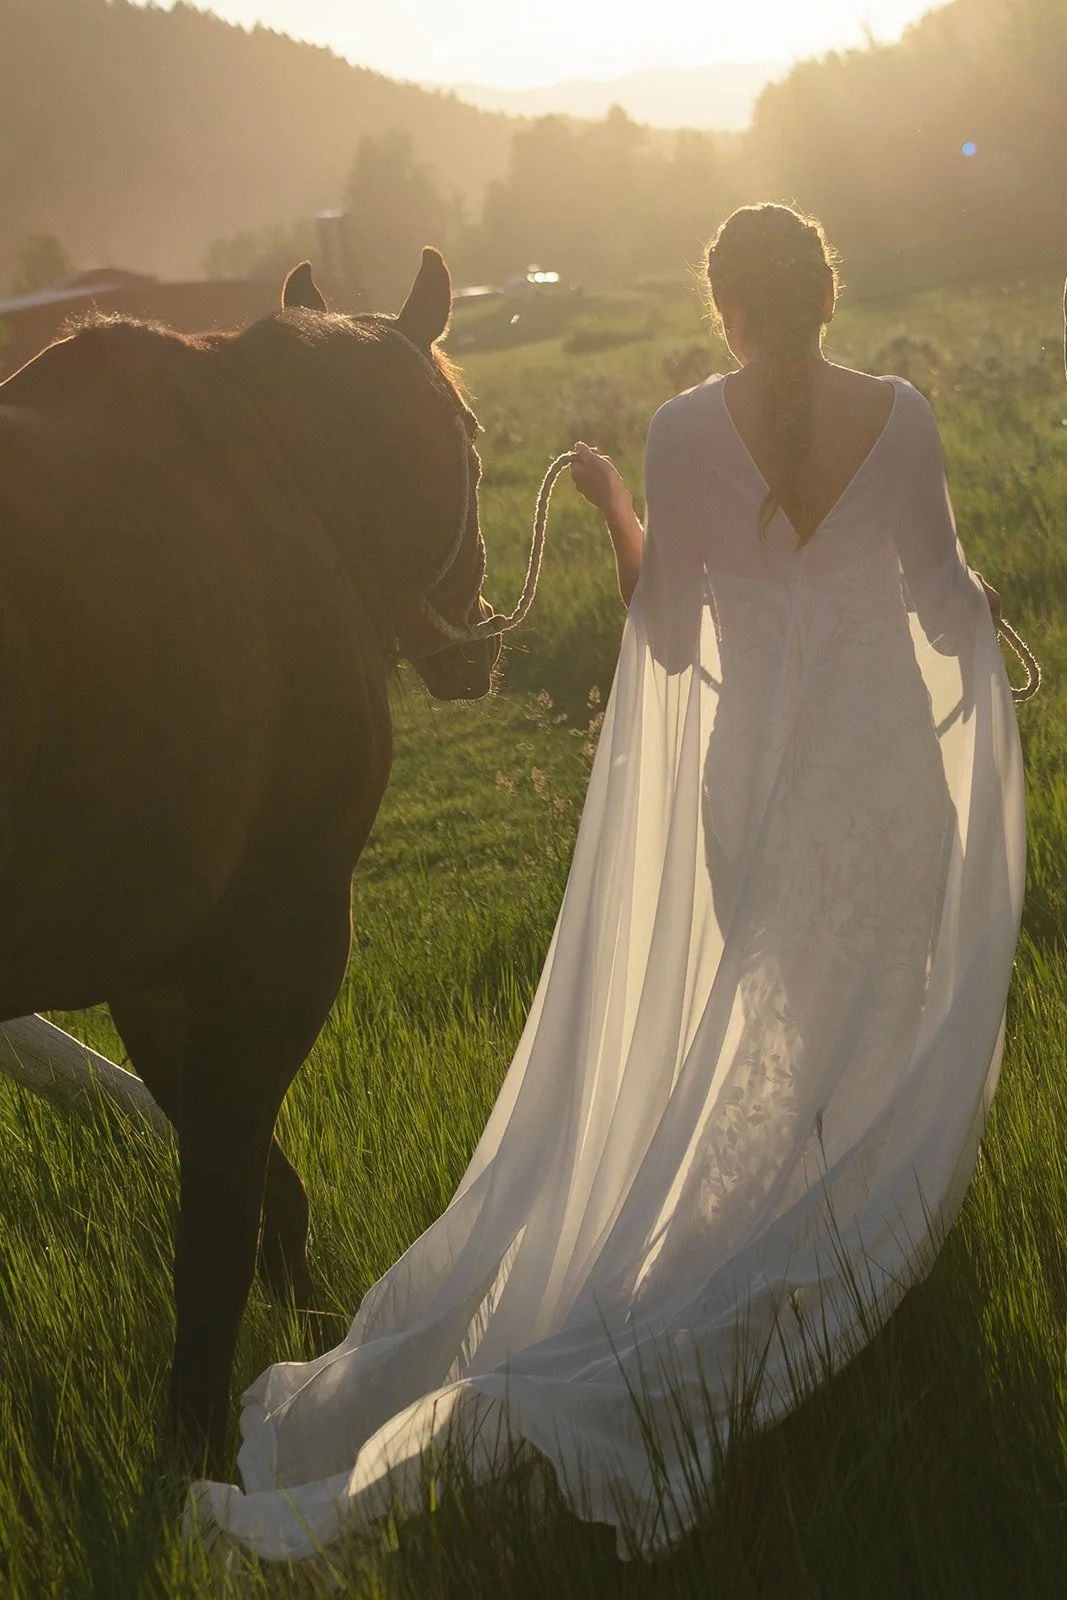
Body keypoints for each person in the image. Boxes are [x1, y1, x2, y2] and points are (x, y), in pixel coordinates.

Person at [191, 204, 1025, 1562]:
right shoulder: (909, 415)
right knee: (867, 1014)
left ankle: (757, 1253)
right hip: (884, 784)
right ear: (824, 296)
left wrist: (611, 507)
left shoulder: (683, 430)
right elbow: (937, 614)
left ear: (721, 308)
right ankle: (839, 1254)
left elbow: (675, 629)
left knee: (766, 1024)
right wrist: (968, 596)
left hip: (755, 782)